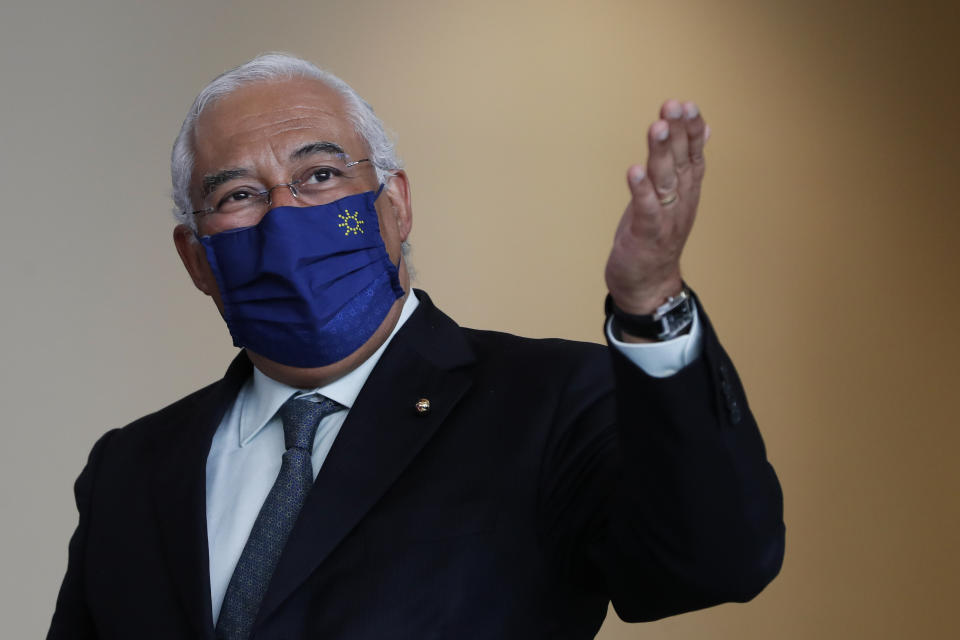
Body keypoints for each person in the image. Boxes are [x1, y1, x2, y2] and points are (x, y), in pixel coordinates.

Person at [47, 53, 783, 639]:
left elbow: (714, 563)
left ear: (395, 206)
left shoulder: (550, 403)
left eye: (320, 175)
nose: (284, 218)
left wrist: (651, 305)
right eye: (239, 194)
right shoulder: (130, 469)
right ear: (197, 257)